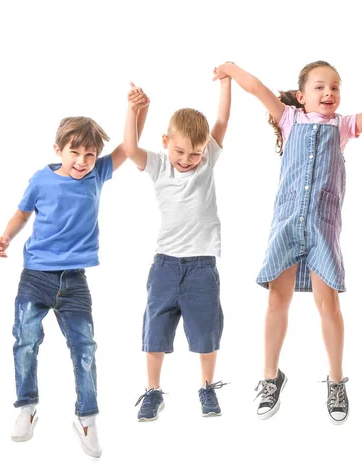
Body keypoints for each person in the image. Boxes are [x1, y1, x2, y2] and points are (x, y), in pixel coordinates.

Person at [213, 61, 362, 423]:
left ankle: (336, 381)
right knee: (277, 300)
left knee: (328, 304)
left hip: (322, 227)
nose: (329, 93)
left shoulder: (345, 126)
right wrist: (229, 68)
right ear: (302, 96)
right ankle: (271, 376)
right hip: (287, 224)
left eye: (335, 87)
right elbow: (256, 87)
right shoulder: (289, 119)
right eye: (320, 87)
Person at [0, 107, 147, 457]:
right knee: (26, 339)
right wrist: (6, 237)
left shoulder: (98, 174)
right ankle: (26, 408)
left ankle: (87, 418)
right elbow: (22, 214)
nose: (82, 161)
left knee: (85, 348)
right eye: (74, 153)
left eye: (89, 154)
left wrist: (139, 109)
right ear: (58, 150)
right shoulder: (40, 180)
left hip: (75, 281)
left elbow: (128, 144)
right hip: (35, 276)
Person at [124, 77, 231, 421]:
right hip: (166, 266)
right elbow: (129, 148)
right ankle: (153, 391)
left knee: (206, 332)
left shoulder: (208, 160)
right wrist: (132, 109)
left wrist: (226, 83)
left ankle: (207, 387)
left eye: (195, 153)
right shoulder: (158, 164)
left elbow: (223, 121)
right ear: (166, 142)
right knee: (155, 331)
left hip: (202, 265)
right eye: (180, 151)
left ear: (206, 149)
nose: (187, 160)